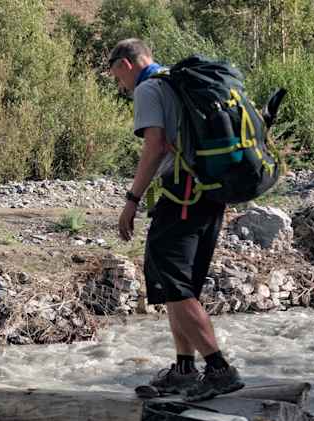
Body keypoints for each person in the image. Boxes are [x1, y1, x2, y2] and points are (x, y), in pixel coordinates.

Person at [108, 38, 244, 401]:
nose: (120, 86)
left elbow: (155, 146)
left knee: (174, 281)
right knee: (179, 284)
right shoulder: (176, 80)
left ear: (125, 64)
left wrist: (132, 200)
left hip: (183, 194)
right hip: (210, 192)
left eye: (117, 78)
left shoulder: (150, 88)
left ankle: (218, 369)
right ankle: (185, 369)